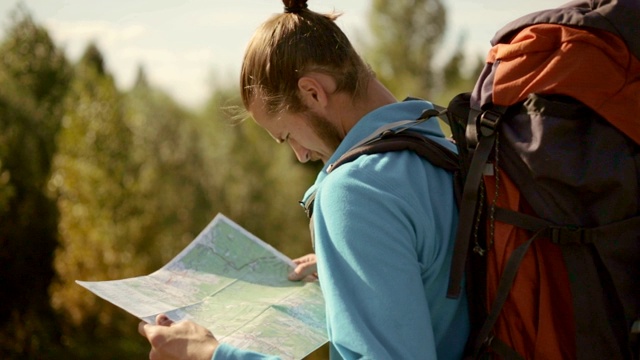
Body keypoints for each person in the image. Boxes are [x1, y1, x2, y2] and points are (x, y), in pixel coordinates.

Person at [138, 0, 469, 358]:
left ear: (313, 92)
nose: (300, 155)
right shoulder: (444, 153)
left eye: (287, 136)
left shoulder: (356, 192)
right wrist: (350, 268)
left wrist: (212, 354)